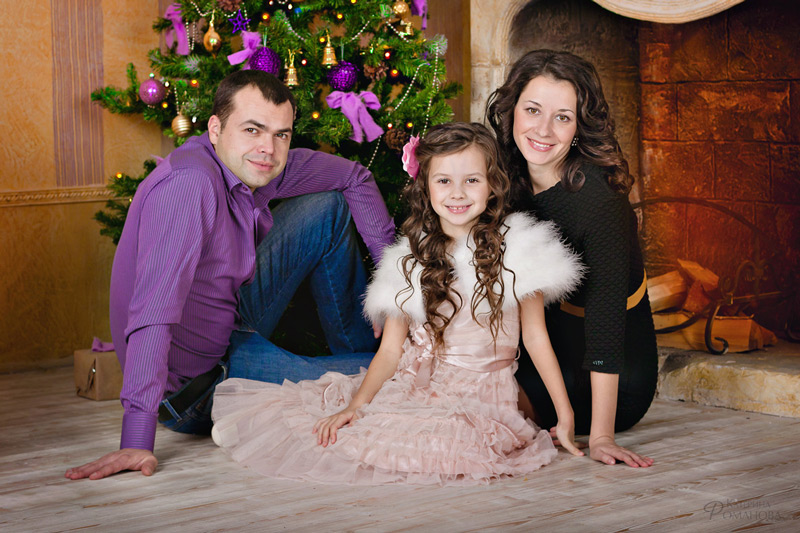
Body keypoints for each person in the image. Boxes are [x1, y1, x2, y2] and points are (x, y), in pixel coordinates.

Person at [210, 122, 585, 486]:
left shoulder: (519, 251)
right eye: (444, 181)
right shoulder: (408, 259)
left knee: (446, 446)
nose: (457, 193)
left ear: (492, 185)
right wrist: (356, 405)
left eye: (471, 180)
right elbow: (391, 350)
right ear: (426, 186)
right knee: (358, 430)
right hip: (418, 382)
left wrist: (564, 414)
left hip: (485, 393)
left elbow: (535, 338)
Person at [65, 70, 395, 481]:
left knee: (326, 209)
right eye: (252, 129)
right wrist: (136, 437)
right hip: (198, 386)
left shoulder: (254, 163)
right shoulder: (190, 185)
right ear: (216, 128)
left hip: (230, 319)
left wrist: (390, 288)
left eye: (281, 134)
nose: (268, 148)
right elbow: (153, 314)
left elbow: (354, 177)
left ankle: (370, 350)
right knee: (390, 375)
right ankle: (372, 364)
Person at [487, 49, 658, 468]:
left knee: (481, 404)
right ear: (512, 111)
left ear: (579, 126)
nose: (543, 129)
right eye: (532, 110)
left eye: (562, 117)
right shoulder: (504, 173)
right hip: (540, 341)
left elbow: (606, 324)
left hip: (607, 373)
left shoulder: (600, 202)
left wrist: (601, 436)